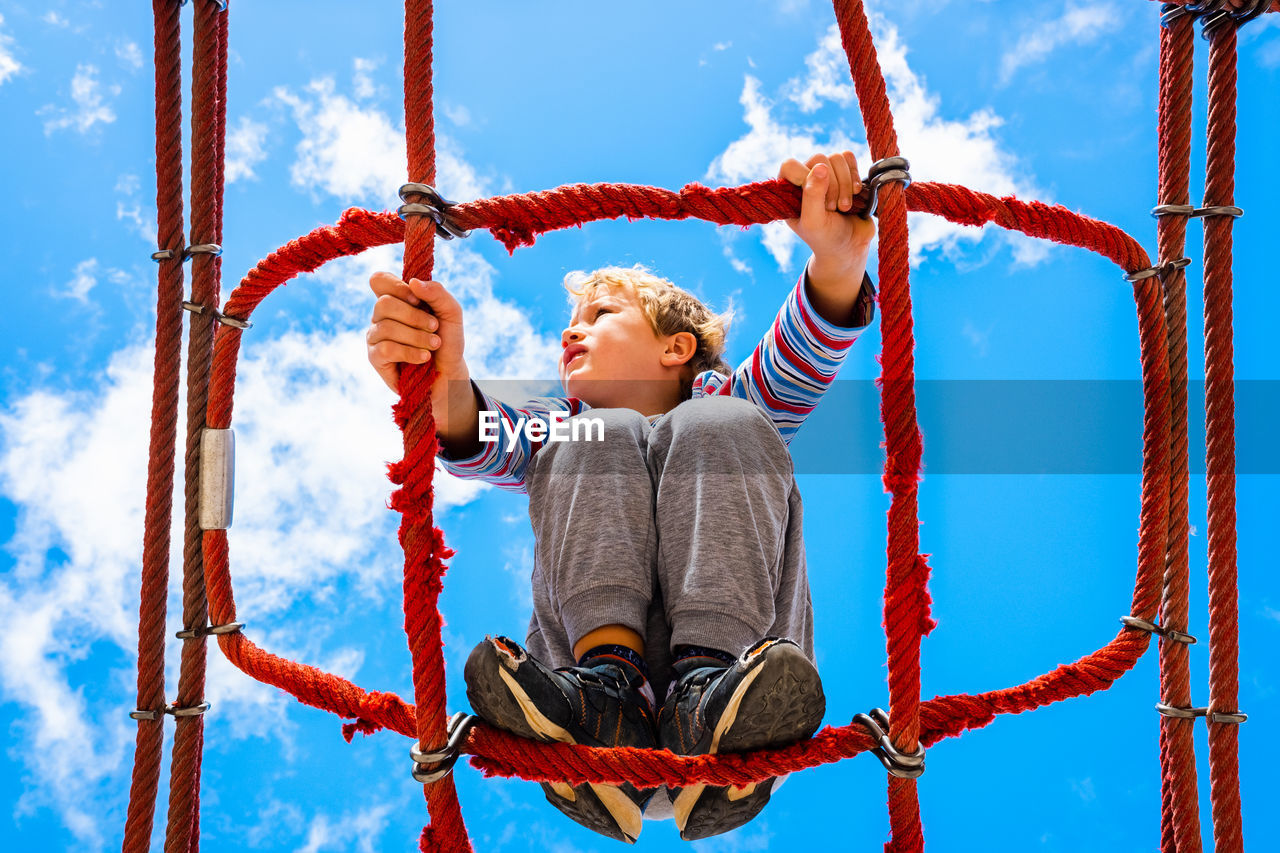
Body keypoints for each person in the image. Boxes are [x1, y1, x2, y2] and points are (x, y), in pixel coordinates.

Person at [366, 152, 877, 842]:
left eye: (599, 313)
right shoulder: (562, 431)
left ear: (677, 348)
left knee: (722, 423)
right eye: (568, 324)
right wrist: (445, 378)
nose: (570, 332)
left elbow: (801, 355)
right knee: (594, 433)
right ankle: (607, 687)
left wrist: (837, 265)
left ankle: (708, 684)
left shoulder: (734, 402)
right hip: (587, 712)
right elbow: (480, 436)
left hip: (741, 708)